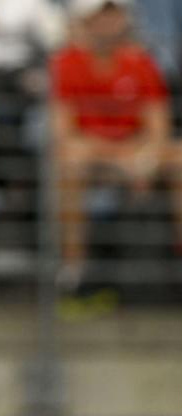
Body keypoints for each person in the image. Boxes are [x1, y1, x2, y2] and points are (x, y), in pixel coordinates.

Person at [51, 0, 182, 293]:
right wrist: (122, 159)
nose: (108, 23)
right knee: (71, 160)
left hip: (135, 156)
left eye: (114, 15)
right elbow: (64, 135)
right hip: (96, 161)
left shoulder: (141, 62)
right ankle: (74, 268)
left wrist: (142, 159)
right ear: (85, 21)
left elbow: (159, 128)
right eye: (101, 16)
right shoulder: (66, 62)